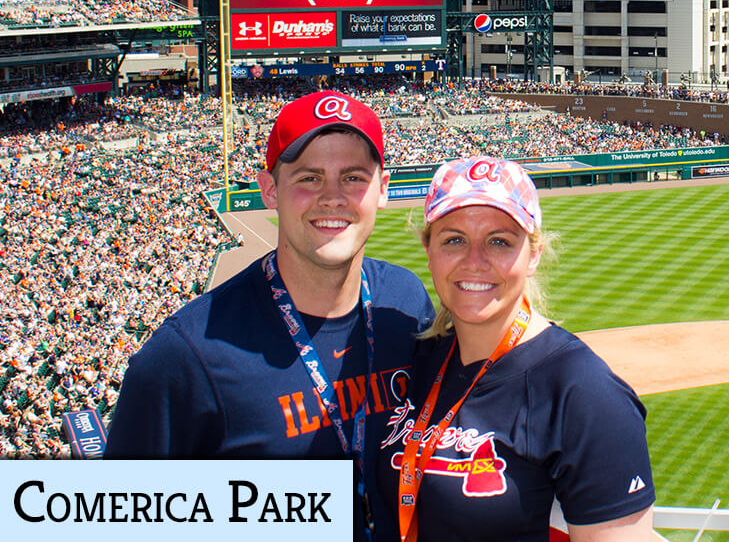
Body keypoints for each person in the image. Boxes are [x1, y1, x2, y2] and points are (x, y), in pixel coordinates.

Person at [105, 91, 434, 542]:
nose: (333, 197)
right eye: (309, 178)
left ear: (383, 188)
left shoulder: (407, 302)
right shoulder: (186, 354)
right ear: (269, 189)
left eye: (354, 176)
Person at [375, 155, 655, 542]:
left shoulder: (584, 392)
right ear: (429, 250)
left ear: (534, 255)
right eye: (454, 239)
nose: (474, 261)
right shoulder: (420, 361)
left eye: (499, 241)